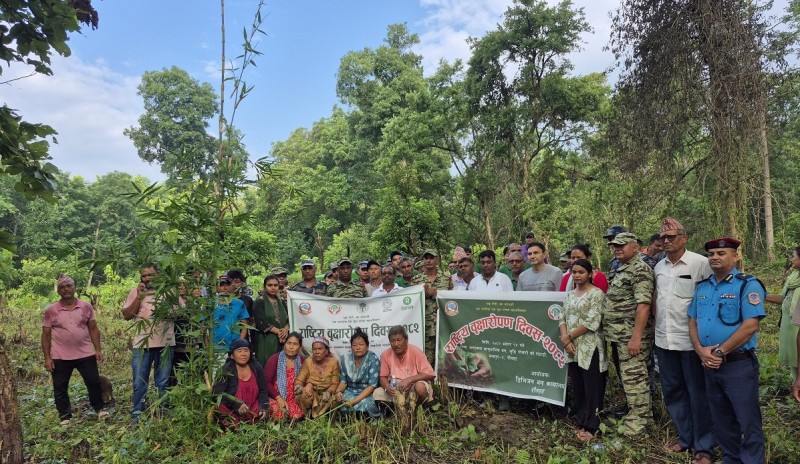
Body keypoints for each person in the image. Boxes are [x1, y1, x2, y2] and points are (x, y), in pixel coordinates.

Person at [689, 237, 766, 464]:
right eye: (712, 254)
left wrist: (719, 353)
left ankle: (752, 460)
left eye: (721, 253)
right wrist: (701, 351)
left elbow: (750, 326)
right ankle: (731, 458)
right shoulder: (703, 286)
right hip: (708, 364)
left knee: (747, 418)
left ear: (735, 256)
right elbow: (692, 321)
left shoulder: (747, 285)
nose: (715, 257)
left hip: (738, 365)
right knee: (721, 416)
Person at [652, 218, 714, 463]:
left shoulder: (701, 263)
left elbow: (710, 299)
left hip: (691, 342)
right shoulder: (659, 266)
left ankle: (704, 445)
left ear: (684, 238)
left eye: (672, 237)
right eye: (663, 237)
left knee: (698, 394)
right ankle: (685, 438)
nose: (666, 241)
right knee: (673, 392)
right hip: (664, 340)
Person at [604, 232, 654, 436]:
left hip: (631, 337)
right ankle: (642, 415)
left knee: (635, 379)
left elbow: (644, 305)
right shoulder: (621, 268)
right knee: (629, 378)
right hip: (619, 335)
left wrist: (636, 337)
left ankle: (638, 424)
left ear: (635, 247)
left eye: (622, 245)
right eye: (615, 245)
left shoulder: (639, 269)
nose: (617, 248)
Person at [42, 275, 108, 425]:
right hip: (60, 356)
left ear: (74, 288)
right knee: (60, 387)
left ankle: (99, 409)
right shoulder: (51, 310)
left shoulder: (86, 306)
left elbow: (93, 328)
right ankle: (65, 417)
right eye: (62, 287)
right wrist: (47, 357)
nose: (66, 289)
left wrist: (97, 349)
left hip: (85, 352)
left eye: (69, 286)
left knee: (93, 382)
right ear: (58, 291)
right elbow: (46, 335)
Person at [559, 260, 607, 442]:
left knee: (592, 386)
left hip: (590, 347)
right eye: (574, 272)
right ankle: (582, 422)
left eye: (581, 272)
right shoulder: (570, 294)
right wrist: (566, 340)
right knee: (578, 386)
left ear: (590, 274)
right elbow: (561, 317)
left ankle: (593, 426)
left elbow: (592, 321)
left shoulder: (597, 294)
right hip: (571, 348)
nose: (577, 275)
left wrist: (568, 337)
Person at [122, 264, 175, 421]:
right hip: (142, 345)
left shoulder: (169, 291)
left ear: (159, 274)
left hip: (166, 343)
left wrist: (166, 310)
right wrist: (139, 296)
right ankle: (137, 413)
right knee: (139, 381)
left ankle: (162, 413)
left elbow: (180, 311)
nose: (147, 278)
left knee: (163, 381)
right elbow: (126, 315)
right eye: (144, 276)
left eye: (150, 275)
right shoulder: (136, 292)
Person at [212, 339, 269, 428]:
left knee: (271, 406)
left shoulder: (257, 367)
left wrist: (263, 407)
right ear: (232, 355)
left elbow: (263, 390)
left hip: (252, 408)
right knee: (219, 407)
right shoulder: (225, 370)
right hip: (232, 410)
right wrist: (237, 404)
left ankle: (254, 423)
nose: (243, 354)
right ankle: (235, 427)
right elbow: (218, 394)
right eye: (239, 351)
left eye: (246, 350)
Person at [375, 325, 436, 408]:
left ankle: (417, 410)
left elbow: (430, 374)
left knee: (420, 387)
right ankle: (396, 412)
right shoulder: (386, 354)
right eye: (393, 341)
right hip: (395, 391)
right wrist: (387, 387)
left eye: (399, 340)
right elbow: (383, 377)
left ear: (406, 340)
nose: (396, 344)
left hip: (412, 390)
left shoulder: (416, 351)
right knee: (378, 393)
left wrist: (409, 380)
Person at [413, 249, 453, 363]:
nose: (428, 260)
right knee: (426, 360)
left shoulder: (446, 279)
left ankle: (442, 380)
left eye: (431, 258)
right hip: (425, 327)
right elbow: (411, 302)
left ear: (437, 260)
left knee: (444, 359)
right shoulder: (417, 280)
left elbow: (452, 301)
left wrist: (437, 292)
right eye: (426, 258)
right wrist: (423, 293)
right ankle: (428, 381)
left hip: (443, 326)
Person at [766, 246, 800, 379]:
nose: (792, 259)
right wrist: (761, 295)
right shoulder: (793, 277)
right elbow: (783, 298)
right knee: (794, 359)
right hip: (789, 325)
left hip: (797, 325)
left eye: (794, 256)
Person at [335, 328, 381, 418]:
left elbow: (372, 385)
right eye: (354, 345)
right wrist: (338, 392)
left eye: (361, 344)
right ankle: (348, 420)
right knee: (340, 402)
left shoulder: (373, 359)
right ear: (351, 347)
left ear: (367, 346)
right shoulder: (345, 359)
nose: (358, 347)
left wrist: (355, 401)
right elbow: (343, 381)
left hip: (366, 393)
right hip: (350, 391)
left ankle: (365, 422)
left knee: (368, 405)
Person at [294, 336, 341, 418]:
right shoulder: (308, 361)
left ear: (326, 351)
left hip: (327, 392)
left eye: (320, 349)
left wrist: (329, 392)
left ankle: (330, 422)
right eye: (314, 349)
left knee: (335, 399)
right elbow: (300, 380)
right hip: (312, 391)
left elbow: (335, 383)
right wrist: (299, 386)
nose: (317, 352)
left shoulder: (333, 362)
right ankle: (308, 419)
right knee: (303, 394)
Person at [264, 332, 305, 420]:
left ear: (300, 347)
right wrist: (278, 398)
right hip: (275, 397)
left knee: (296, 416)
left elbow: (305, 380)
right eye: (289, 343)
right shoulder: (274, 359)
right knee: (277, 412)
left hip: (293, 398)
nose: (291, 347)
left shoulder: (301, 361)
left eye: (295, 344)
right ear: (284, 344)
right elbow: (266, 382)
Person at [251, 275, 289, 365]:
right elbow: (260, 321)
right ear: (264, 287)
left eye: (275, 285)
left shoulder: (283, 302)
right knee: (268, 366)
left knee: (282, 365)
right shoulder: (259, 302)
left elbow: (288, 318)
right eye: (270, 285)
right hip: (266, 339)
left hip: (283, 340)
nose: (273, 288)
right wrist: (279, 332)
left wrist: (286, 328)